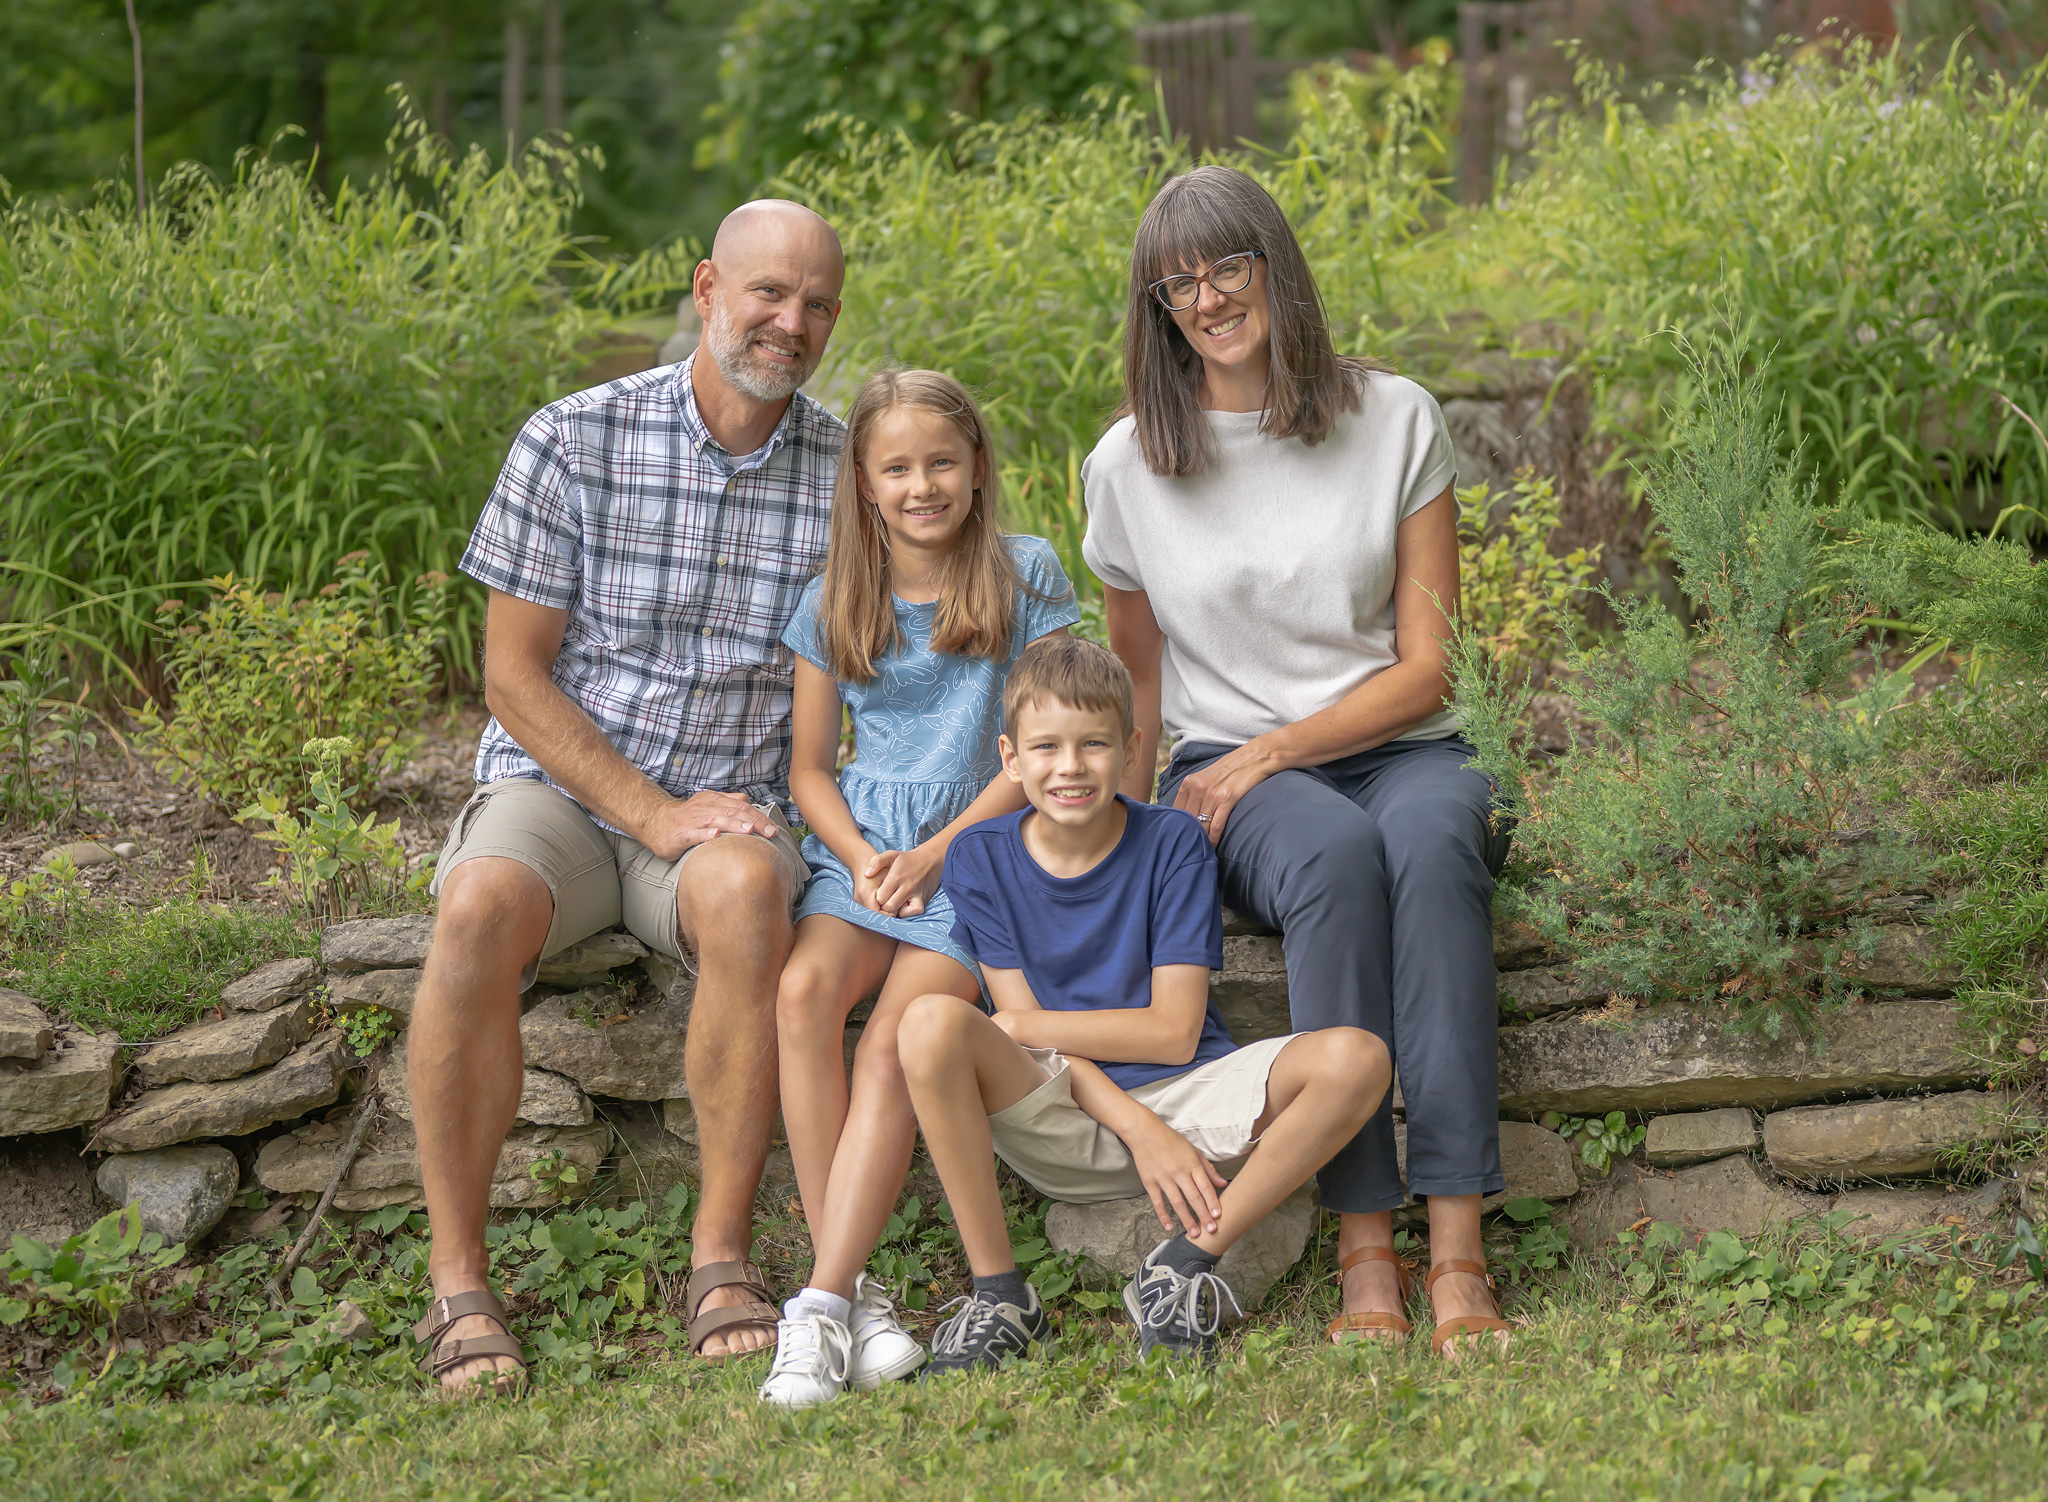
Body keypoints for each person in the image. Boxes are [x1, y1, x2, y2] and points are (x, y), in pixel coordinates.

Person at [406, 200, 846, 1392]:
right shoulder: (574, 437)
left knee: (752, 892)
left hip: (730, 807)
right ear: (707, 287)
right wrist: (645, 809)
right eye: (766, 292)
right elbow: (510, 674)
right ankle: (458, 1281)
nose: (788, 321)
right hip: (567, 788)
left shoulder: (849, 470)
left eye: (813, 304)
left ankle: (719, 1255)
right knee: (477, 909)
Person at [1082, 164, 1516, 1356]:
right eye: (1179, 282)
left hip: (1407, 744)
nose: (1209, 297)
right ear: (1157, 307)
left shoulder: (1392, 417)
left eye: (1229, 266)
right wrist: (1121, 856)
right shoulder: (1127, 464)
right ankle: (1364, 1240)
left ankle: (1460, 1240)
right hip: (1236, 777)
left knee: (1429, 849)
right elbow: (1134, 688)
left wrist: (1281, 741)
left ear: (1274, 267)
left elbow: (1430, 669)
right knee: (1330, 855)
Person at [895, 637, 1390, 1371]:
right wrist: (1138, 1129)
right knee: (928, 1021)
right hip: (1064, 1113)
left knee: (1358, 1057)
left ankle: (1179, 1268)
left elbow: (1170, 1032)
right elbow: (1034, 1052)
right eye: (1046, 747)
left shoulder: (1172, 843)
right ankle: (1000, 1296)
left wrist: (1028, 1026)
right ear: (1009, 758)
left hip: (1194, 1102)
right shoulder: (979, 857)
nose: (1069, 767)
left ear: (1131, 750)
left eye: (1093, 744)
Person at [758, 369, 1080, 1410]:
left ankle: (815, 1302)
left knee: (901, 1027)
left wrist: (939, 849)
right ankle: (858, 1297)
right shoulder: (834, 597)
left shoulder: (1023, 572)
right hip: (865, 848)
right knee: (805, 997)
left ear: (977, 467)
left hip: (978, 843)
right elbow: (811, 764)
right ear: (862, 480)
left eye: (941, 461)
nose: (921, 484)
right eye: (895, 466)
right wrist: (855, 855)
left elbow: (1040, 749)